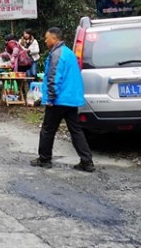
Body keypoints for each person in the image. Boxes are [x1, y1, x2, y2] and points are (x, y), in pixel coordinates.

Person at [30, 27, 95, 172]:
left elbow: (53, 78)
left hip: (59, 99)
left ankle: (44, 159)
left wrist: (50, 99)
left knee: (48, 130)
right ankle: (87, 162)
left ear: (54, 39)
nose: (45, 41)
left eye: (47, 38)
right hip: (71, 99)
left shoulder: (56, 54)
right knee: (76, 131)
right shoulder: (68, 52)